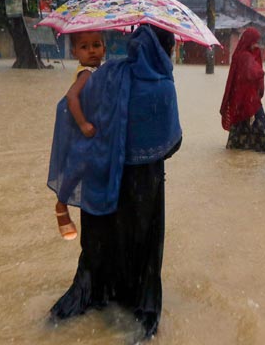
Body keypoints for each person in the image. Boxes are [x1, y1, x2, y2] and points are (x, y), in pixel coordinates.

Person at [47, 25, 182, 340]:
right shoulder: (162, 86)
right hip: (144, 186)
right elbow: (172, 143)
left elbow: (72, 110)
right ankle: (138, 307)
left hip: (103, 174)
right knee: (141, 244)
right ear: (164, 50)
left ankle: (93, 297)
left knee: (103, 243)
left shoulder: (106, 76)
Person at [54, 31, 105, 240]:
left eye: (96, 45)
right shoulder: (87, 73)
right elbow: (71, 96)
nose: (91, 50)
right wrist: (83, 123)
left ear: (105, 47)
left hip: (93, 127)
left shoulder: (99, 70)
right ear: (75, 52)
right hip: (83, 129)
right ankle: (61, 205)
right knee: (77, 166)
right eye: (84, 47)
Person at [220, 28, 265, 153]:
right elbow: (254, 73)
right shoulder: (246, 56)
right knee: (264, 142)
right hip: (250, 101)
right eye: (255, 41)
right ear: (249, 41)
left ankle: (240, 150)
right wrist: (261, 72)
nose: (256, 44)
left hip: (239, 101)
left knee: (238, 136)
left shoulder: (239, 55)